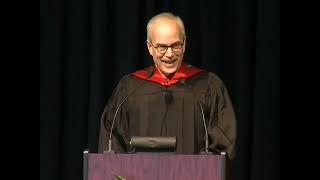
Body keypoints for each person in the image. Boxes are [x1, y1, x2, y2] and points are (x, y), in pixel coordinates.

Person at [98, 12, 236, 159]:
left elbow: (222, 144)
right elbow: (112, 141)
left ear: (184, 44)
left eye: (176, 45)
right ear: (150, 47)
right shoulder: (130, 87)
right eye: (162, 47)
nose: (169, 54)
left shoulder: (207, 85)